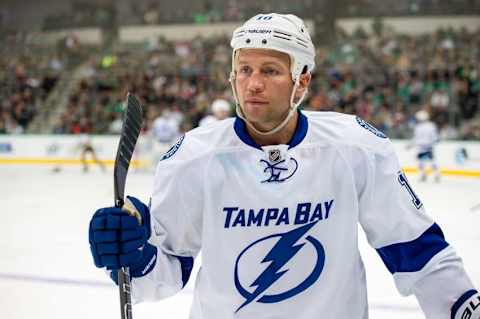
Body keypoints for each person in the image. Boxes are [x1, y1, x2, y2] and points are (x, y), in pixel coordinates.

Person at [88, 13, 479, 319]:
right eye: (245, 69)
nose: (252, 83)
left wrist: (463, 305)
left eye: (270, 71)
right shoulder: (193, 157)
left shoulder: (355, 146)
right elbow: (165, 274)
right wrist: (134, 254)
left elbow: (417, 250)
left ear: (302, 81)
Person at [408, 110, 440, 182]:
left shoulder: (418, 127)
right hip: (428, 147)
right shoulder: (431, 125)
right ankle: (435, 175)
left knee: (421, 162)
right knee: (431, 161)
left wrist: (410, 145)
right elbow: (435, 137)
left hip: (421, 147)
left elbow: (416, 138)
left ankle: (424, 175)